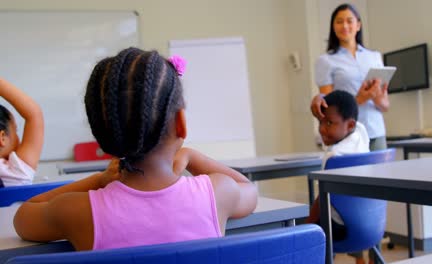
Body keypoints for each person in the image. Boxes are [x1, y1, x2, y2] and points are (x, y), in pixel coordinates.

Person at [14, 47, 258, 251]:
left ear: (100, 130)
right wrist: (192, 157)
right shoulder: (217, 193)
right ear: (181, 124)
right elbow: (249, 190)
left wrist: (99, 180)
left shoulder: (77, 211)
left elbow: (24, 215)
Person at [310, 3, 389, 151]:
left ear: (358, 25)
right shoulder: (325, 61)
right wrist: (360, 99)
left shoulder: (375, 57)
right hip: (347, 136)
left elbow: (385, 106)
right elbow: (328, 109)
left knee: (381, 174)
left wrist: (375, 97)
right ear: (333, 27)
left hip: (376, 132)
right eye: (339, 22)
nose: (344, 26)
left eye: (349, 21)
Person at [307, 90, 370, 263]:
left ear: (350, 125)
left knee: (299, 225)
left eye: (329, 123)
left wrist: (307, 224)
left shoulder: (334, 157)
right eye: (320, 122)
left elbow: (322, 200)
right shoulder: (361, 135)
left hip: (341, 229)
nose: (322, 129)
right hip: (370, 225)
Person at [0, 78, 44, 187]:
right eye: (15, 132)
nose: (18, 140)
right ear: (2, 138)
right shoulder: (14, 173)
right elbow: (34, 115)